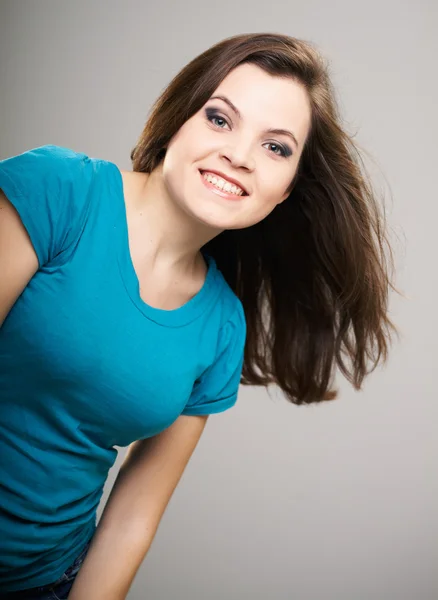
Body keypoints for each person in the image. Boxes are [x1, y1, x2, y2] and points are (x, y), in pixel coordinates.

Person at [0, 32, 396, 599]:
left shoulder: (222, 327)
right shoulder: (61, 192)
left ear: (286, 191)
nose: (238, 155)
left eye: (276, 147)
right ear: (177, 120)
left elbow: (133, 516)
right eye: (219, 119)